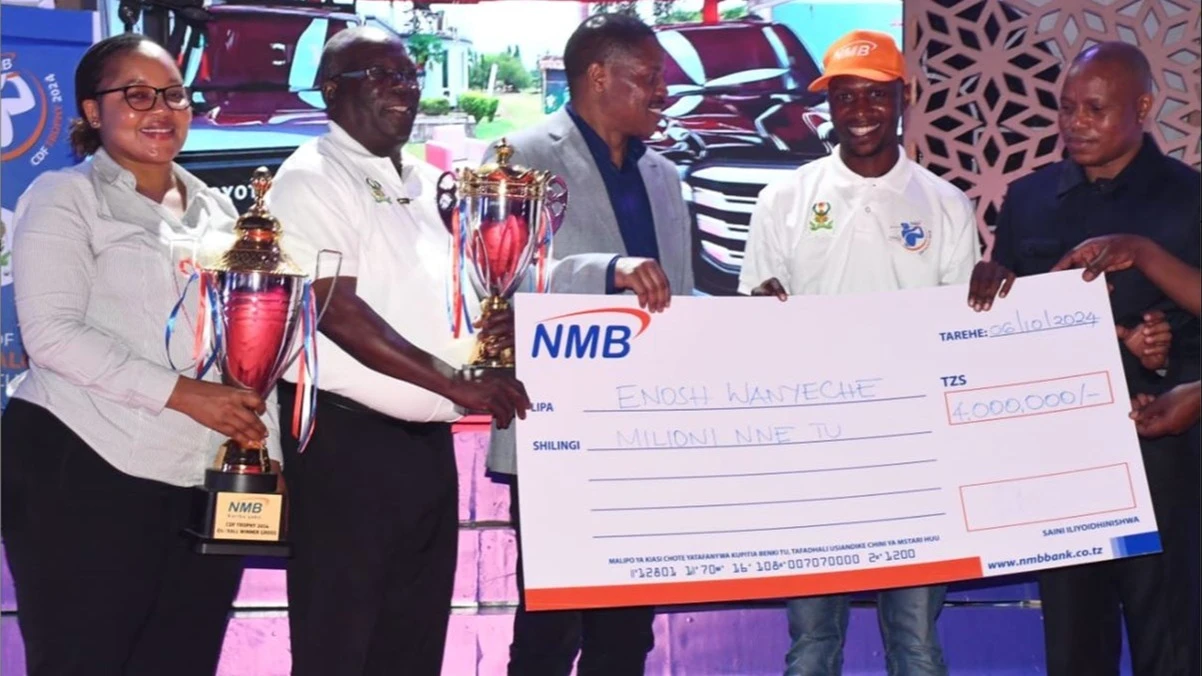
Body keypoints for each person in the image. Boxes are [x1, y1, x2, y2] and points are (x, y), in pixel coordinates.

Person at [0, 33, 279, 675]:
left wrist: (264, 452)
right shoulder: (65, 198)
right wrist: (188, 395)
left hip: (198, 475)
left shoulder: (215, 211)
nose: (160, 108)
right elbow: (52, 335)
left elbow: (251, 346)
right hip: (83, 467)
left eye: (174, 94)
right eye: (136, 94)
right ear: (94, 112)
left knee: (183, 660)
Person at [261, 27, 534, 676]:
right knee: (340, 647)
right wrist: (457, 382)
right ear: (330, 91)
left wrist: (498, 341)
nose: (401, 90)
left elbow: (469, 297)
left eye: (409, 77)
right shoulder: (310, 177)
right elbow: (336, 309)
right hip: (344, 449)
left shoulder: (430, 181)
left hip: (423, 450)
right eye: (379, 75)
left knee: (411, 647)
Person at [739, 29, 978, 676]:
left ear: (904, 97)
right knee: (812, 648)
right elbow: (754, 332)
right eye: (846, 97)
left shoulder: (946, 205)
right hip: (815, 460)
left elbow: (962, 340)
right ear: (829, 106)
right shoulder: (783, 201)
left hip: (915, 460)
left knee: (918, 648)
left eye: (876, 96)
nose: (861, 111)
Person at [966, 42, 1200, 676]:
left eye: (1095, 109)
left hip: (1166, 459)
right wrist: (988, 292)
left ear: (1143, 107)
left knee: (1172, 645)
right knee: (1074, 650)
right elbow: (1008, 335)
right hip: (1063, 464)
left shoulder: (1191, 200)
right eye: (1066, 108)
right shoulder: (1031, 199)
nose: (1076, 123)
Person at [483, 13, 691, 676]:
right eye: (649, 77)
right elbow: (501, 281)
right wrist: (609, 270)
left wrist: (753, 311)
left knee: (628, 635)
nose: (663, 90)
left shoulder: (664, 175)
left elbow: (676, 301)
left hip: (643, 435)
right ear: (598, 76)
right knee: (551, 628)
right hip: (559, 433)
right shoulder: (519, 158)